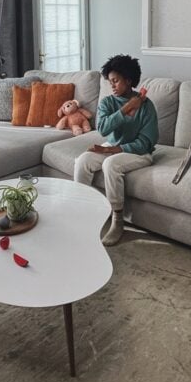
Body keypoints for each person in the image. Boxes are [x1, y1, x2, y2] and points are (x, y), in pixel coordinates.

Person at [74, 54, 158, 246]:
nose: (111, 86)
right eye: (109, 82)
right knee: (83, 161)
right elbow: (103, 129)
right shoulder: (108, 102)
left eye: (115, 81)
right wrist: (126, 108)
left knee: (111, 164)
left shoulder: (147, 106)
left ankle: (118, 220)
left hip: (139, 152)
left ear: (129, 80)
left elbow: (146, 142)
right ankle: (81, 211)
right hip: (111, 146)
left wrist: (112, 150)